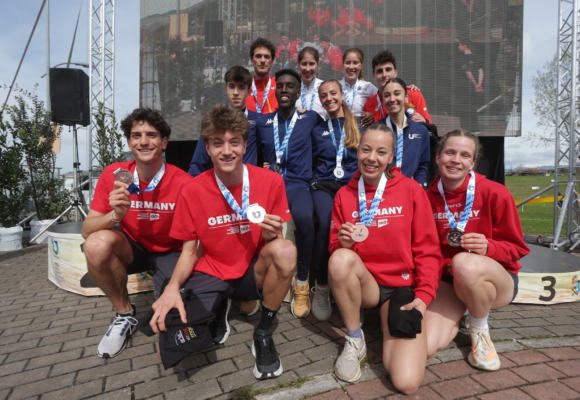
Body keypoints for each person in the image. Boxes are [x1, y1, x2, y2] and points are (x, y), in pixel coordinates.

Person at [150, 104, 297, 380]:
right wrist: (172, 288)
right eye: (218, 143)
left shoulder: (271, 181)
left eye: (234, 142)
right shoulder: (192, 190)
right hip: (213, 271)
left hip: (252, 273)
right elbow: (188, 252)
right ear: (207, 147)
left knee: (286, 250)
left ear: (245, 145)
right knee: (172, 343)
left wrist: (272, 236)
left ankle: (263, 331)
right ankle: (218, 307)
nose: (227, 150)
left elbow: (277, 244)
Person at [328, 124, 442, 393]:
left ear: (391, 157)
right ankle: (355, 338)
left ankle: (392, 322)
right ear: (357, 151)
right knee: (340, 259)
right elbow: (334, 248)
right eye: (366, 150)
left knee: (406, 382)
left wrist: (424, 295)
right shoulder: (345, 194)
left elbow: (428, 249)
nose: (372, 158)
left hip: (401, 288)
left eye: (381, 152)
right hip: (368, 287)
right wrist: (343, 243)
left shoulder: (411, 189)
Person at [81, 108, 193, 358]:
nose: (143, 142)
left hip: (170, 251)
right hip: (133, 247)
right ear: (129, 142)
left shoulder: (184, 182)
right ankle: (125, 314)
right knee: (96, 244)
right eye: (136, 135)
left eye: (151, 135)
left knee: (173, 319)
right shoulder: (114, 175)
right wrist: (115, 216)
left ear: (164, 143)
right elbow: (87, 230)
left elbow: (193, 241)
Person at [424, 130, 529, 371]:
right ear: (438, 157)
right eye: (450, 153)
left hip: (494, 281)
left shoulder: (495, 192)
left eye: (464, 155)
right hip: (447, 281)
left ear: (472, 163)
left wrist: (489, 247)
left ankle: (480, 330)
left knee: (465, 263)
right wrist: (445, 267)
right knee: (427, 346)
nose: (455, 160)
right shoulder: (425, 198)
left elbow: (517, 249)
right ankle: (459, 314)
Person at [255, 69, 323, 318]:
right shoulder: (262, 122)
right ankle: (255, 283)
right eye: (280, 85)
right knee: (253, 222)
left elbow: (326, 143)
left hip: (297, 183)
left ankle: (302, 281)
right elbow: (253, 156)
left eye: (290, 86)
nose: (284, 89)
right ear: (275, 91)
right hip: (269, 184)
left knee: (304, 219)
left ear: (298, 92)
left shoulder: (311, 118)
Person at [309, 79, 361, 322]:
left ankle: (353, 287)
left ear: (342, 95)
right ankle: (321, 286)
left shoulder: (358, 125)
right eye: (323, 95)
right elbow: (308, 159)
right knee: (327, 224)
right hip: (323, 185)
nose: (328, 98)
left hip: (351, 186)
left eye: (333, 93)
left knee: (353, 228)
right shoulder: (317, 129)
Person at [189, 66, 260, 177]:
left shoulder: (259, 120)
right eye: (232, 86)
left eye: (241, 87)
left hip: (250, 183)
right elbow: (197, 165)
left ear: (249, 91)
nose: (236, 92)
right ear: (225, 89)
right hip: (221, 183)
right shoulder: (214, 119)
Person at [377, 78, 430, 186]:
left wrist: (418, 184)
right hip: (382, 188)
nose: (392, 99)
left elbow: (423, 164)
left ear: (406, 97)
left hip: (409, 189)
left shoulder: (420, 130)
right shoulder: (376, 130)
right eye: (387, 95)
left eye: (397, 94)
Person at [363, 50, 432, 124]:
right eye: (379, 71)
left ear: (395, 73)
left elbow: (430, 128)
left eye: (388, 69)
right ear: (374, 76)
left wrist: (425, 122)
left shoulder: (414, 95)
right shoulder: (369, 105)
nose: (384, 75)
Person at [339, 48, 377, 126]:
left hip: (361, 129)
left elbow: (381, 105)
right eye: (348, 63)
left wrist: (373, 115)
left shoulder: (368, 87)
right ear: (343, 64)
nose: (351, 67)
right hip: (340, 128)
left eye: (355, 63)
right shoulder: (336, 86)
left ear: (361, 65)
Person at [246, 38, 278, 114]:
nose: (263, 60)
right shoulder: (243, 87)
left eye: (266, 57)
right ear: (252, 60)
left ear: (272, 61)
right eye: (258, 56)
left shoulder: (280, 85)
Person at [295, 47, 327, 119]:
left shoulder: (324, 87)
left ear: (317, 65)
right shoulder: (292, 87)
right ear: (299, 65)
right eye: (304, 64)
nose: (307, 69)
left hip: (320, 126)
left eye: (312, 64)